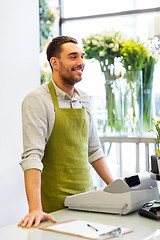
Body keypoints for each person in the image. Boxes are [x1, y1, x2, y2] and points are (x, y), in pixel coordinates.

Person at [18, 36, 114, 228]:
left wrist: (117, 189)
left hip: (88, 199)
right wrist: (35, 209)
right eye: (73, 57)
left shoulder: (84, 99)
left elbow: (94, 151)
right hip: (56, 205)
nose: (81, 63)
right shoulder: (37, 99)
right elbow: (32, 156)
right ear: (54, 63)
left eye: (82, 56)